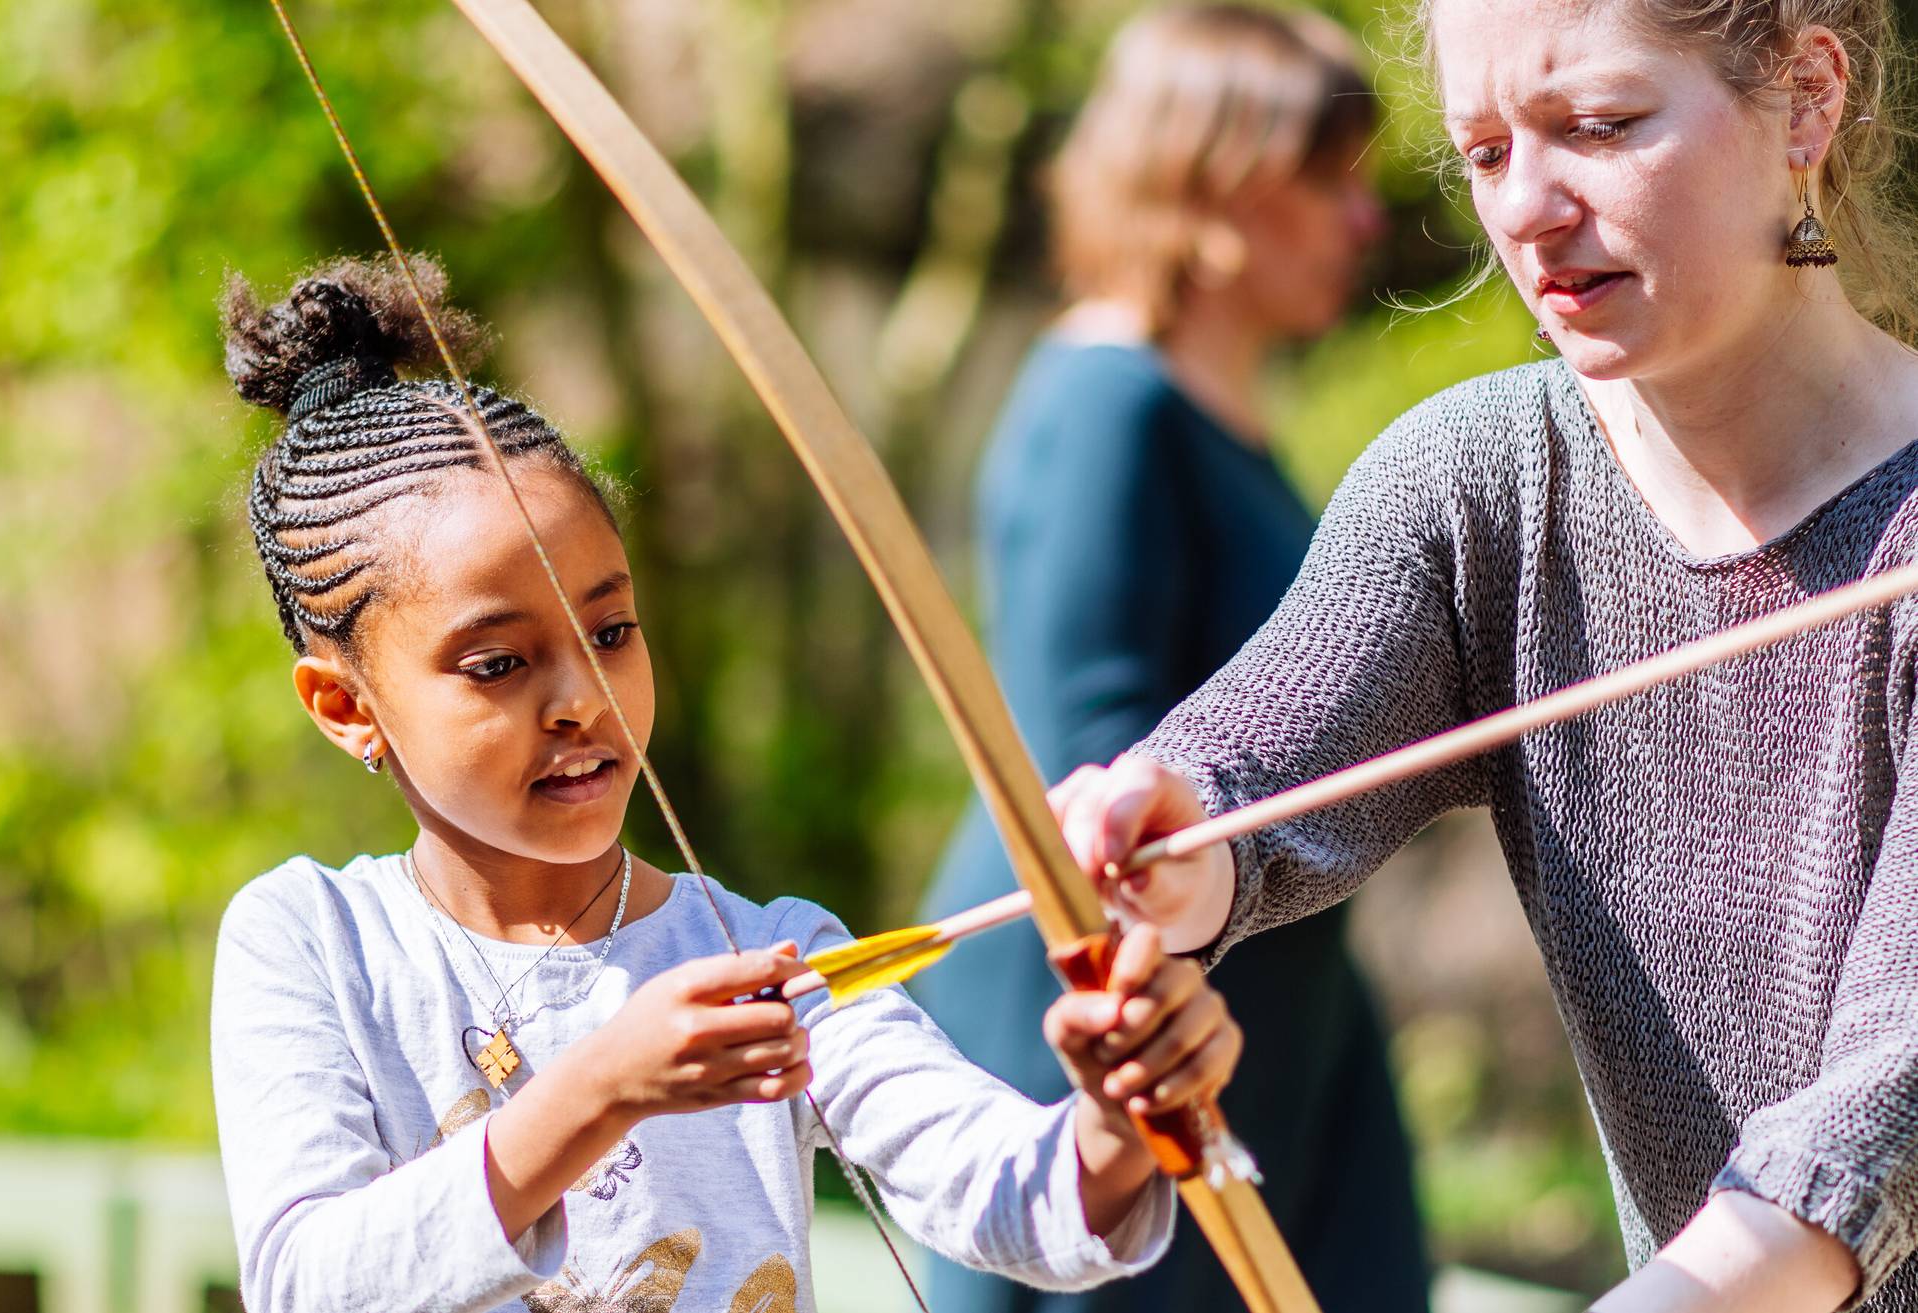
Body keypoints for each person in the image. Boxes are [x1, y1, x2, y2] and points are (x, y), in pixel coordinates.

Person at [1050, 1, 1918, 1310]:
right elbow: (1270, 752)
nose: (1528, 208)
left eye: (1600, 128)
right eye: (1486, 152)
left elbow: (1883, 1108)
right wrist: (1176, 837)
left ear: (1806, 96)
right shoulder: (1479, 484)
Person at [205, 254, 1258, 1312]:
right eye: (499, 663)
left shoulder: (774, 954)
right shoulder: (312, 937)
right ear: (346, 707)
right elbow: (308, 1284)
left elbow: (1000, 1187)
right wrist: (601, 1086)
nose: (583, 696)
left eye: (611, 631)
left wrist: (1119, 1120)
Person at [916, 8, 1428, 1311]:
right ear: (1215, 181)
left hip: (1267, 1009)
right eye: (1329, 181)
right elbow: (1094, 758)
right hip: (1130, 1022)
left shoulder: (1215, 416)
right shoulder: (1108, 403)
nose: (1362, 222)